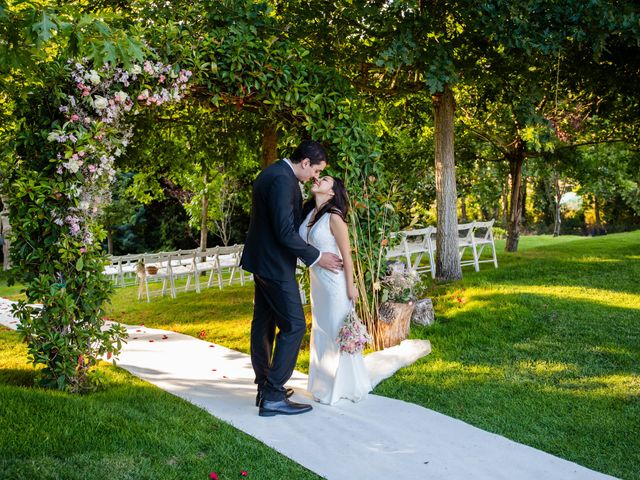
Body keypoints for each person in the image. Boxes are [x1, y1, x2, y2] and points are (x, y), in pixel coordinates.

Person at [241, 140, 343, 417]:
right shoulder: (283, 180)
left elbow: (285, 220)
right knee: (295, 326)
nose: (315, 176)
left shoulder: (275, 173)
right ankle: (273, 394)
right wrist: (317, 256)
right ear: (306, 162)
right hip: (273, 264)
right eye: (316, 170)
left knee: (264, 322)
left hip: (263, 261)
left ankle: (265, 386)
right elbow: (285, 232)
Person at [299, 175, 372, 405]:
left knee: (335, 330)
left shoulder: (334, 217)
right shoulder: (310, 215)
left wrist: (351, 287)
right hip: (317, 283)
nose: (318, 179)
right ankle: (323, 383)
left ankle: (343, 386)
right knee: (321, 329)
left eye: (325, 179)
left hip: (335, 285)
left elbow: (347, 257)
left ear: (332, 192)